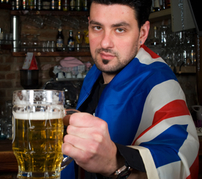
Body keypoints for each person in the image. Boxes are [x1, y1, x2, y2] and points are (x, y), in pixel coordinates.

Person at [61, 0, 199, 178]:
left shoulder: (158, 81)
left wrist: (114, 162)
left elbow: (182, 159)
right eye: (97, 27)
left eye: (120, 29)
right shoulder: (96, 71)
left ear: (142, 33)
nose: (105, 43)